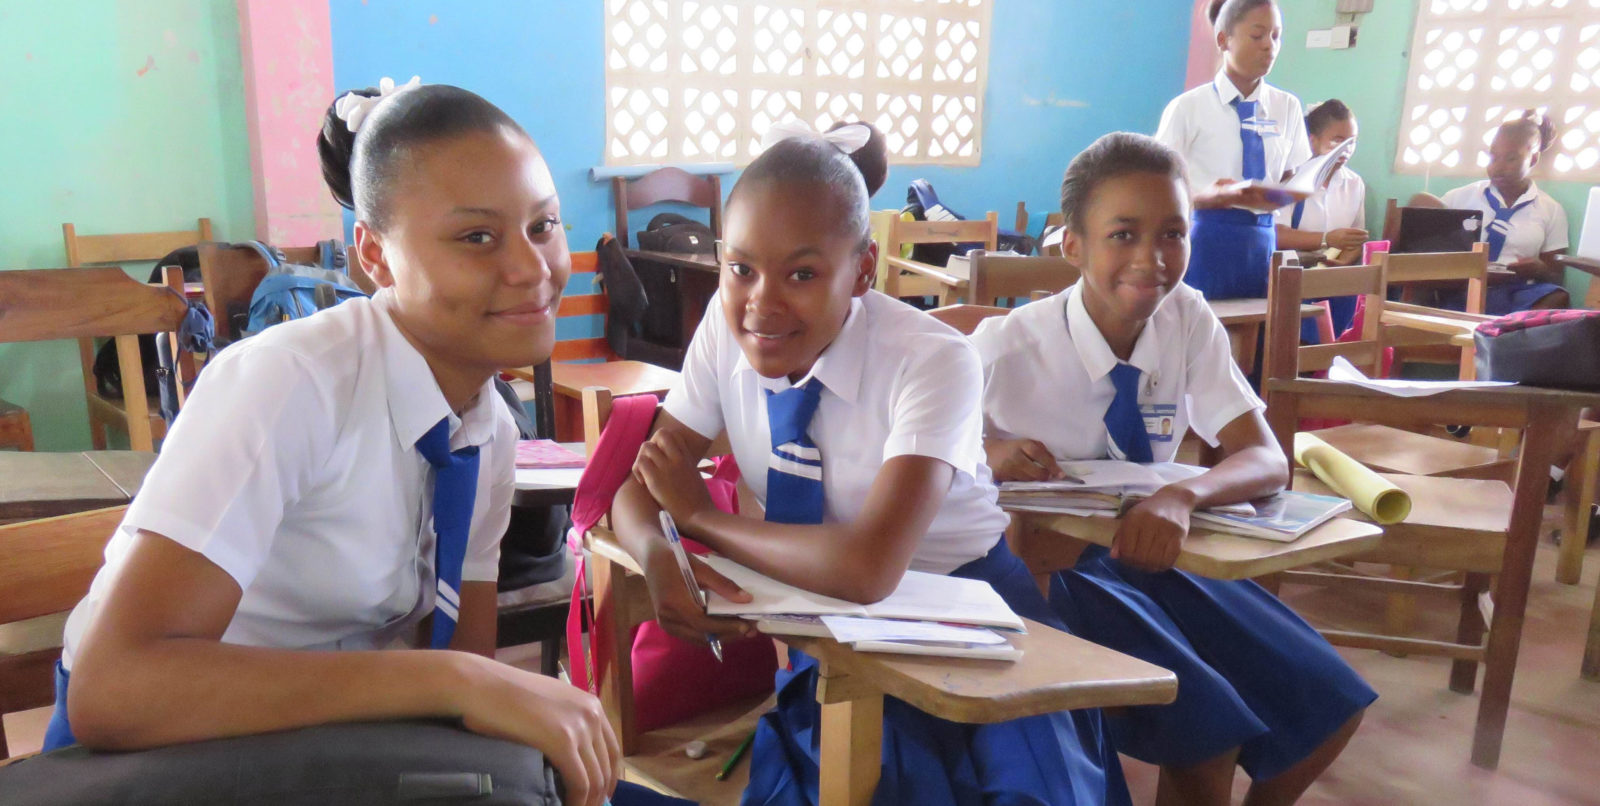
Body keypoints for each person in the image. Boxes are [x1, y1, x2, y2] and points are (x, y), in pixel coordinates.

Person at [36, 82, 626, 806]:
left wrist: (493, 701)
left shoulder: (486, 432)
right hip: (164, 751)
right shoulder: (289, 384)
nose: (532, 269)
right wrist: (454, 683)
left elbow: (462, 668)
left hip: (328, 743)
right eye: (477, 236)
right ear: (373, 255)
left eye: (543, 226)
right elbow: (115, 688)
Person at [611, 132, 1131, 804]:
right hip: (825, 618)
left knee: (1032, 782)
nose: (762, 304)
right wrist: (658, 555)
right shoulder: (725, 323)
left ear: (861, 271)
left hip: (971, 614)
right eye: (741, 269)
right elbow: (642, 482)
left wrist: (699, 516)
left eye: (802, 274)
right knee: (864, 777)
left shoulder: (933, 361)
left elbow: (868, 568)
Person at [973, 132, 1374, 806]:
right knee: (1209, 732)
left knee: (1331, 703)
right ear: (1071, 245)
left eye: (1173, 233)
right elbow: (923, 463)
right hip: (1050, 569)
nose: (1152, 259)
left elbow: (1266, 457)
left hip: (1154, 549)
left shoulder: (1185, 318)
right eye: (1122, 234)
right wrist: (989, 455)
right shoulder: (1005, 350)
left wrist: (1185, 496)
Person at [1155, 0, 1310, 300]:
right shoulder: (1188, 108)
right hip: (1206, 238)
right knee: (1202, 334)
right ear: (1223, 40)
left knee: (1258, 337)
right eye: (1257, 35)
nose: (1269, 46)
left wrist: (1315, 179)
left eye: (1276, 36)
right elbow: (1158, 189)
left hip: (1264, 241)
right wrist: (1208, 197)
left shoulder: (1286, 107)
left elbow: (1293, 178)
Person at [1410, 111, 1572, 313]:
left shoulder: (1551, 210)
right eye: (1493, 157)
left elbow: (1556, 275)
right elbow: (1425, 240)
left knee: (1558, 297)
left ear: (1533, 159)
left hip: (1515, 292)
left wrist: (1538, 269)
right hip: (1462, 286)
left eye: (1511, 159)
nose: (1498, 167)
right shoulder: (1461, 197)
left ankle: (1501, 336)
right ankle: (1493, 334)